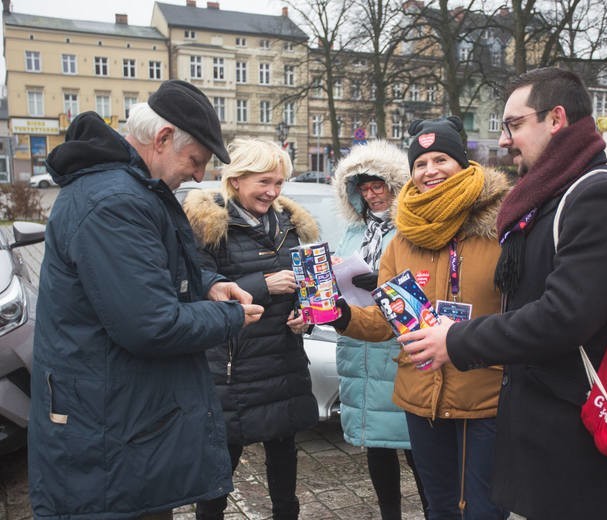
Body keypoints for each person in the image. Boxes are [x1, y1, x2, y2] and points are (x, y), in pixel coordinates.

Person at [399, 67, 607, 519]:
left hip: (586, 439)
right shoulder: (544, 200)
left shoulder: (600, 195)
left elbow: (564, 317)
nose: (504, 141)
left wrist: (456, 340)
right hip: (550, 436)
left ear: (556, 119)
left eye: (515, 125)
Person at [28, 80, 265, 520]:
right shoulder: (114, 201)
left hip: (118, 425)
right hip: (105, 444)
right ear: (162, 139)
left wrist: (208, 283)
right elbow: (151, 324)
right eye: (196, 161)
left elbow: (155, 269)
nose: (199, 176)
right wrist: (228, 316)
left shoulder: (127, 190)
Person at [331, 117, 509, 519]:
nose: (430, 171)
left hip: (483, 399)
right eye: (421, 163)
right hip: (421, 399)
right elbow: (385, 320)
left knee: (484, 511)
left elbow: (522, 315)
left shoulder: (501, 228)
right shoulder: (403, 237)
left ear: (463, 163)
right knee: (440, 510)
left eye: (441, 159)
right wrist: (339, 314)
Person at [183, 138, 319, 520]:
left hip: (282, 361)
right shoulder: (209, 226)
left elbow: (299, 284)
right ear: (237, 179)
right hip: (232, 372)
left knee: (284, 469)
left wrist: (303, 314)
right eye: (264, 182)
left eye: (279, 183)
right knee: (217, 477)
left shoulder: (287, 223)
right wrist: (263, 285)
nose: (273, 192)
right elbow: (200, 289)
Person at [331, 140, 428, 520]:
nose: (371, 195)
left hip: (395, 344)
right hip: (359, 344)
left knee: (416, 443)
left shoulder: (411, 228)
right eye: (364, 189)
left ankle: (434, 509)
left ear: (395, 186)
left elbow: (421, 284)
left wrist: (384, 283)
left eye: (379, 187)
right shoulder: (354, 232)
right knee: (376, 442)